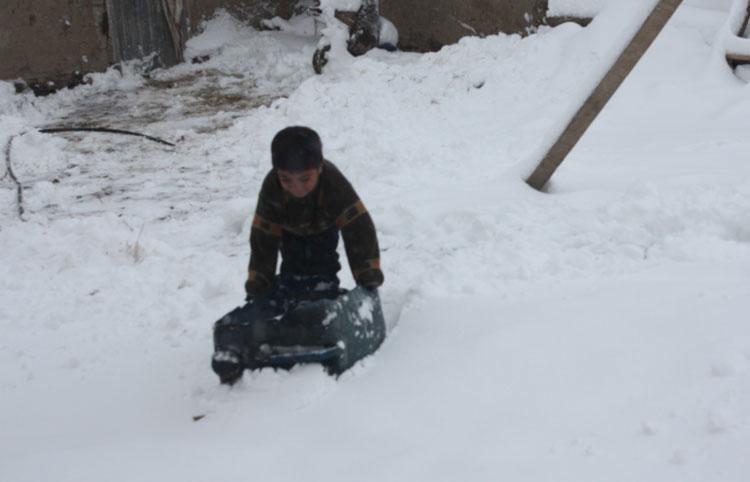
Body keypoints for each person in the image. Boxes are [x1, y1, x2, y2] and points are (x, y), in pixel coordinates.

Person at [211, 126, 384, 383]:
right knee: (284, 290)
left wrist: (367, 276)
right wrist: (258, 286)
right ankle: (239, 340)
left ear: (319, 168)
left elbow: (358, 227)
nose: (297, 188)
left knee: (318, 294)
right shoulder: (272, 188)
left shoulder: (333, 184)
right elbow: (263, 239)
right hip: (289, 238)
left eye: (305, 179)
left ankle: (316, 316)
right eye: (286, 180)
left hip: (322, 237)